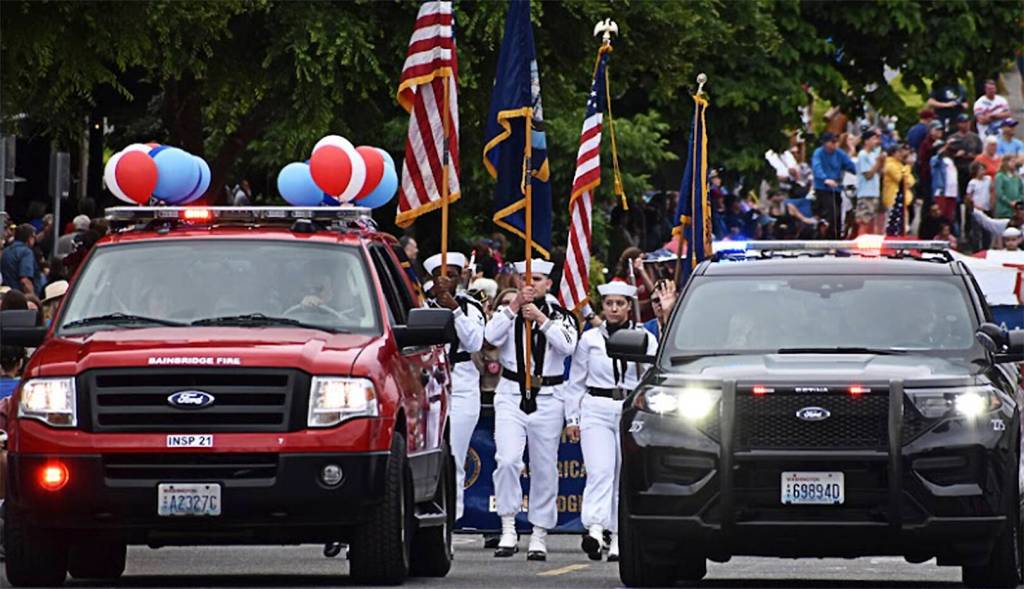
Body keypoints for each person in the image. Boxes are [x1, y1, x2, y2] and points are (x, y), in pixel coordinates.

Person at [484, 259, 578, 561]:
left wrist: (540, 318)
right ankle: (508, 525)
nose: (531, 283)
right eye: (525, 278)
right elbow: (490, 337)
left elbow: (567, 346)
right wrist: (513, 308)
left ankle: (539, 532)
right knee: (508, 459)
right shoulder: (506, 312)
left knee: (545, 467)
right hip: (511, 393)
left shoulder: (561, 316)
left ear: (548, 284)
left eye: (536, 278)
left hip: (549, 395)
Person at [567, 282, 657, 563]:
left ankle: (619, 536)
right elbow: (576, 382)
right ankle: (594, 528)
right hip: (596, 405)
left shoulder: (644, 336)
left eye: (620, 303)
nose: (614, 308)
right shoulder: (591, 339)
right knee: (600, 469)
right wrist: (573, 418)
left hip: (628, 407)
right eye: (609, 303)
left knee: (624, 474)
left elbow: (653, 374)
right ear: (602, 306)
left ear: (629, 305)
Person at [423, 252, 486, 524]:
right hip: (430, 385)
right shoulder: (421, 306)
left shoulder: (470, 307)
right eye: (442, 274)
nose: (448, 279)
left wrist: (455, 311)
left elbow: (474, 343)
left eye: (453, 274)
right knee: (430, 456)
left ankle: (454, 517)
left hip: (462, 387)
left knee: (455, 456)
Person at [811, 132, 856, 238]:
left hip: (836, 189)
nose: (834, 145)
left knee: (839, 215)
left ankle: (837, 240)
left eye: (836, 142)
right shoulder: (818, 153)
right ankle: (825, 238)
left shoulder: (839, 153)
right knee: (831, 213)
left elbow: (849, 165)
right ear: (825, 143)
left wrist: (861, 172)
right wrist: (825, 179)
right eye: (832, 142)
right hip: (823, 189)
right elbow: (817, 167)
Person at [855, 130, 886, 234]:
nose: (876, 141)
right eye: (873, 139)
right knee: (864, 221)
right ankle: (860, 245)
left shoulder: (874, 155)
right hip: (865, 193)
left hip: (874, 192)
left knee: (872, 222)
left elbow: (879, 172)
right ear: (866, 141)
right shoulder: (863, 155)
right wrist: (878, 163)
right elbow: (868, 175)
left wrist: (881, 163)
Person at [948, 113, 983, 197]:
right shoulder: (952, 138)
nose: (966, 124)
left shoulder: (975, 137)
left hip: (971, 169)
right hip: (957, 169)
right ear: (958, 124)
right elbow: (947, 155)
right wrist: (956, 155)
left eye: (967, 122)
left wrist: (973, 156)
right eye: (963, 122)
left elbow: (980, 153)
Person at [881, 143, 916, 229]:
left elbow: (911, 181)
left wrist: (906, 171)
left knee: (904, 225)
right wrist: (908, 166)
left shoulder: (899, 164)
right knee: (895, 226)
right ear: (893, 153)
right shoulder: (890, 165)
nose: (902, 154)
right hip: (893, 200)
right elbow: (902, 180)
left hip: (902, 200)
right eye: (899, 152)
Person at [1, 224, 42, 295]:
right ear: (29, 238)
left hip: (6, 296)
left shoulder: (5, 251)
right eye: (34, 237)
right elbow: (25, 281)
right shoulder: (26, 252)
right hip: (21, 297)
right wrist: (33, 298)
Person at [929, 140, 958, 222]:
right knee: (940, 215)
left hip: (952, 192)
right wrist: (943, 149)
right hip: (941, 192)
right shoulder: (934, 160)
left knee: (950, 217)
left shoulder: (950, 161)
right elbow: (936, 161)